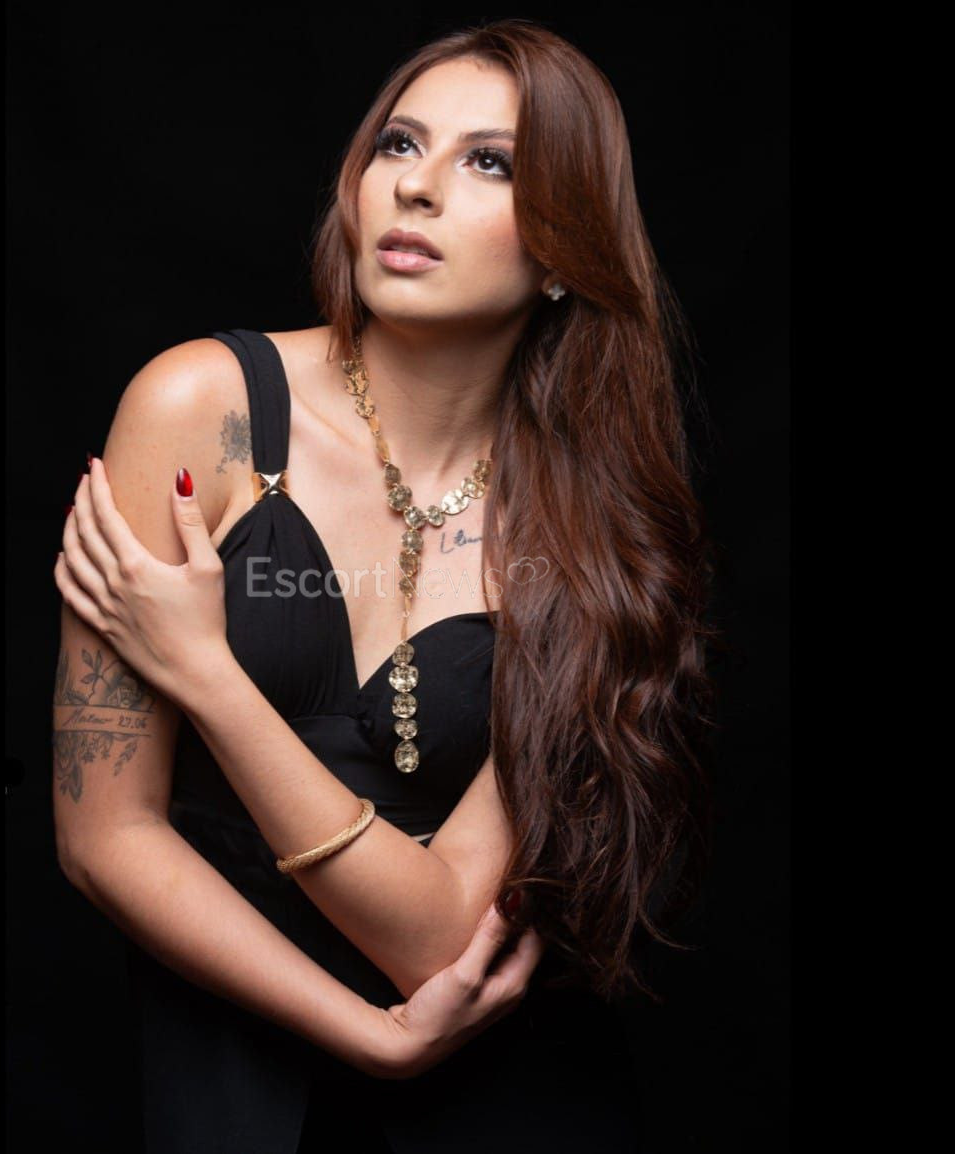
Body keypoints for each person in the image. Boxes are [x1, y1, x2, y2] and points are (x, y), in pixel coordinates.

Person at [52, 18, 715, 1153]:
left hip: (515, 1097)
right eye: (398, 144)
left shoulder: (591, 523)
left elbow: (441, 934)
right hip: (236, 1074)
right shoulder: (201, 408)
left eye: (489, 163)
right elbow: (102, 835)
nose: (415, 186)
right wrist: (368, 1036)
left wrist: (207, 674)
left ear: (565, 250)